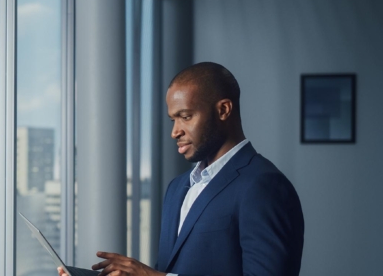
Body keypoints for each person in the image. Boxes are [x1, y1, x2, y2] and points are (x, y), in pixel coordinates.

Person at [58, 62, 304, 276]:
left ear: (223, 110)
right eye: (173, 119)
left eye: (186, 116)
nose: (175, 131)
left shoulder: (264, 185)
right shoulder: (177, 189)